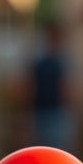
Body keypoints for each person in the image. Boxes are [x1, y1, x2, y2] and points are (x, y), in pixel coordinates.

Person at [28, 21, 72, 151]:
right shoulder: (41, 60)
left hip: (55, 111)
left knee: (54, 149)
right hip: (43, 111)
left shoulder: (61, 60)